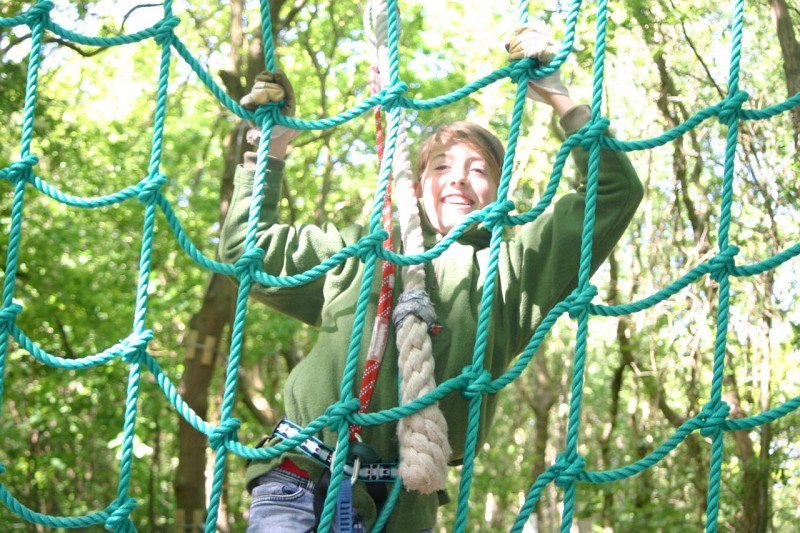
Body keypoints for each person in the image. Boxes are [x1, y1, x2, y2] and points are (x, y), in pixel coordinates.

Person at [219, 24, 643, 533]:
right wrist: (270, 151)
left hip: (407, 498)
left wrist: (559, 97)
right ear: (418, 187)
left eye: (477, 169)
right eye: (441, 166)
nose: (458, 178)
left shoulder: (511, 273)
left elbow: (616, 193)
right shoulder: (365, 250)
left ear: (499, 189)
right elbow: (248, 254)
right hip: (304, 475)